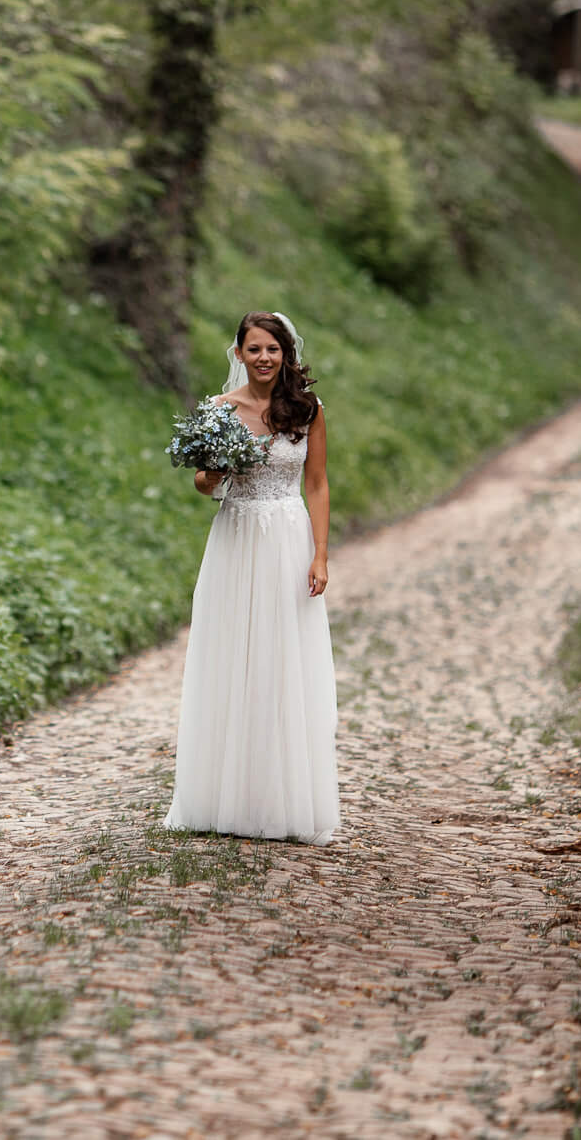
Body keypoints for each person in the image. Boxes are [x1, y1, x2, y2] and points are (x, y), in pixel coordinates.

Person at [164, 310, 339, 845]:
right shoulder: (218, 411)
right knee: (232, 658)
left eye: (274, 349)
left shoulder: (307, 410)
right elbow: (200, 483)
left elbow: (318, 484)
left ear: (286, 354)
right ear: (238, 353)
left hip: (287, 539)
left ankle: (279, 797)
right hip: (236, 539)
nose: (264, 358)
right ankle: (222, 797)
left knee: (281, 661)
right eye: (254, 348)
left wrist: (321, 555)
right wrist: (217, 465)